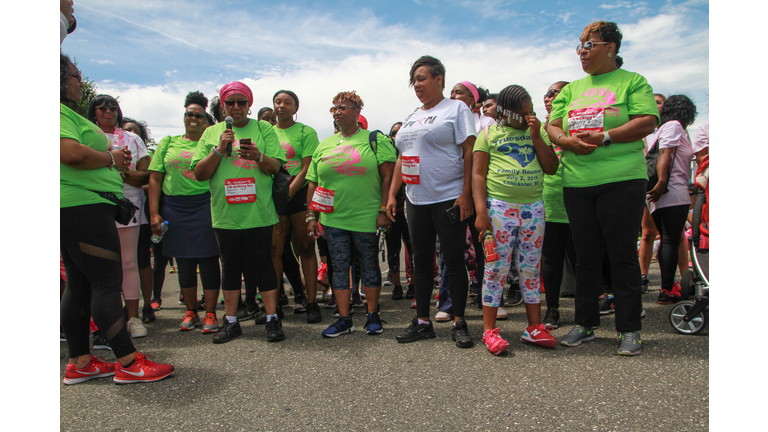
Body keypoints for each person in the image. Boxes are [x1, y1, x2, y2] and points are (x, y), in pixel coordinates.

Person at [546, 21, 659, 356]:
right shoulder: (572, 88)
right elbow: (552, 124)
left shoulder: (632, 81)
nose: (582, 52)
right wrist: (565, 140)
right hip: (578, 181)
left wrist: (606, 137)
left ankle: (629, 329)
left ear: (610, 47)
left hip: (622, 179)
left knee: (621, 254)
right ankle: (585, 324)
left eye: (589, 45)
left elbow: (646, 121)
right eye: (579, 46)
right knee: (586, 256)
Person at [60, 54, 173, 384]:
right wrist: (109, 157)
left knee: (80, 285)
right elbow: (70, 154)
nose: (80, 82)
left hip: (78, 206)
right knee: (106, 283)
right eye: (75, 76)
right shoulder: (55, 113)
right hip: (84, 207)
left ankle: (81, 361)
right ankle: (127, 361)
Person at [387, 55, 477, 348]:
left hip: (448, 197)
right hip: (416, 199)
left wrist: (466, 194)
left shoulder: (456, 108)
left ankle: (459, 321)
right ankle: (423, 321)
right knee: (421, 261)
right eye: (414, 80)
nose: (417, 85)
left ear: (439, 79)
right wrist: (392, 194)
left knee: (453, 260)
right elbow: (403, 157)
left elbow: (469, 151)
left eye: (422, 78)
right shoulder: (412, 116)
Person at [191, 81, 287, 344]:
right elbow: (199, 174)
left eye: (241, 102)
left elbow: (276, 167)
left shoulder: (263, 128)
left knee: (263, 265)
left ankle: (272, 318)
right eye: (230, 102)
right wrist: (219, 150)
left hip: (258, 212)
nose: (236, 107)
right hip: (225, 214)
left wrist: (257, 156)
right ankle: (231, 321)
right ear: (222, 106)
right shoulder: (211, 133)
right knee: (230, 267)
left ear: (249, 105)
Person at [472, 84, 559, 355]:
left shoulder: (538, 131)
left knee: (531, 269)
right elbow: (477, 175)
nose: (528, 117)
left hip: (533, 208)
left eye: (531, 111)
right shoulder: (487, 134)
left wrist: (536, 135)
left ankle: (534, 327)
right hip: (499, 207)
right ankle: (489, 331)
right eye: (523, 113)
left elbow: (552, 167)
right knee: (496, 268)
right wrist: (481, 213)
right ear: (505, 112)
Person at [306, 91, 396, 337]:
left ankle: (372, 315)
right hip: (333, 218)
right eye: (334, 108)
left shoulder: (374, 139)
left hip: (366, 216)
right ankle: (345, 319)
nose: (337, 111)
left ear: (358, 111)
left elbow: (388, 176)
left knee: (369, 264)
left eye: (343, 107)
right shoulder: (324, 144)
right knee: (339, 267)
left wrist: (383, 209)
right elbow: (313, 183)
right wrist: (311, 215)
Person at [148, 91, 222, 334]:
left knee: (209, 260)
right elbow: (155, 179)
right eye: (189, 114)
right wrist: (154, 213)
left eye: (199, 116)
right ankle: (191, 311)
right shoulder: (168, 142)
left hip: (206, 205)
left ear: (205, 120)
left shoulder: (212, 143)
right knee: (184, 262)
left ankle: (211, 313)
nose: (193, 118)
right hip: (175, 208)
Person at [87, 94, 150, 338]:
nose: (108, 112)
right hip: (95, 204)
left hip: (128, 205)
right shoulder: (87, 136)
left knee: (128, 262)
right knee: (99, 265)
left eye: (112, 108)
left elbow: (146, 174)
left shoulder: (132, 138)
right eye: (102, 108)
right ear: (93, 112)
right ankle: (103, 319)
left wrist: (125, 172)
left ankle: (133, 318)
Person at [270, 90, 322, 323]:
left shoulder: (305, 131)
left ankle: (311, 302)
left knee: (305, 247)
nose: (282, 106)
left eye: (287, 103)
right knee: (274, 249)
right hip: (273, 194)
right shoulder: (266, 132)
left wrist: (288, 193)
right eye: (278, 102)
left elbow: (307, 167)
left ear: (295, 108)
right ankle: (274, 305)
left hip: (298, 192)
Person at [646, 95, 697, 304]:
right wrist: (662, 183)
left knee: (668, 238)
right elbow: (665, 153)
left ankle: (667, 286)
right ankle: (666, 289)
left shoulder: (663, 129)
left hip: (663, 192)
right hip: (671, 191)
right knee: (670, 240)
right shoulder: (674, 126)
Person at [539, 81, 578, 330]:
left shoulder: (577, 124)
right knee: (551, 261)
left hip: (578, 202)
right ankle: (552, 309)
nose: (549, 97)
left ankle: (586, 311)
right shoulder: (540, 131)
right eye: (547, 93)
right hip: (549, 204)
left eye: (555, 93)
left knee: (582, 261)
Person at [121, 118, 156, 324]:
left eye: (134, 131)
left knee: (142, 261)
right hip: (114, 214)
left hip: (138, 214)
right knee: (121, 263)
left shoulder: (145, 156)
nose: (130, 133)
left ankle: (147, 304)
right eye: (126, 130)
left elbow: (146, 181)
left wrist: (123, 174)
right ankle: (124, 304)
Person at [384, 122, 414, 301]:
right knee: (392, 248)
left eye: (400, 132)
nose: (396, 136)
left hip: (411, 208)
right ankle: (396, 286)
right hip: (393, 210)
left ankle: (413, 284)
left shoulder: (411, 152)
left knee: (413, 249)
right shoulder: (386, 156)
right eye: (393, 133)